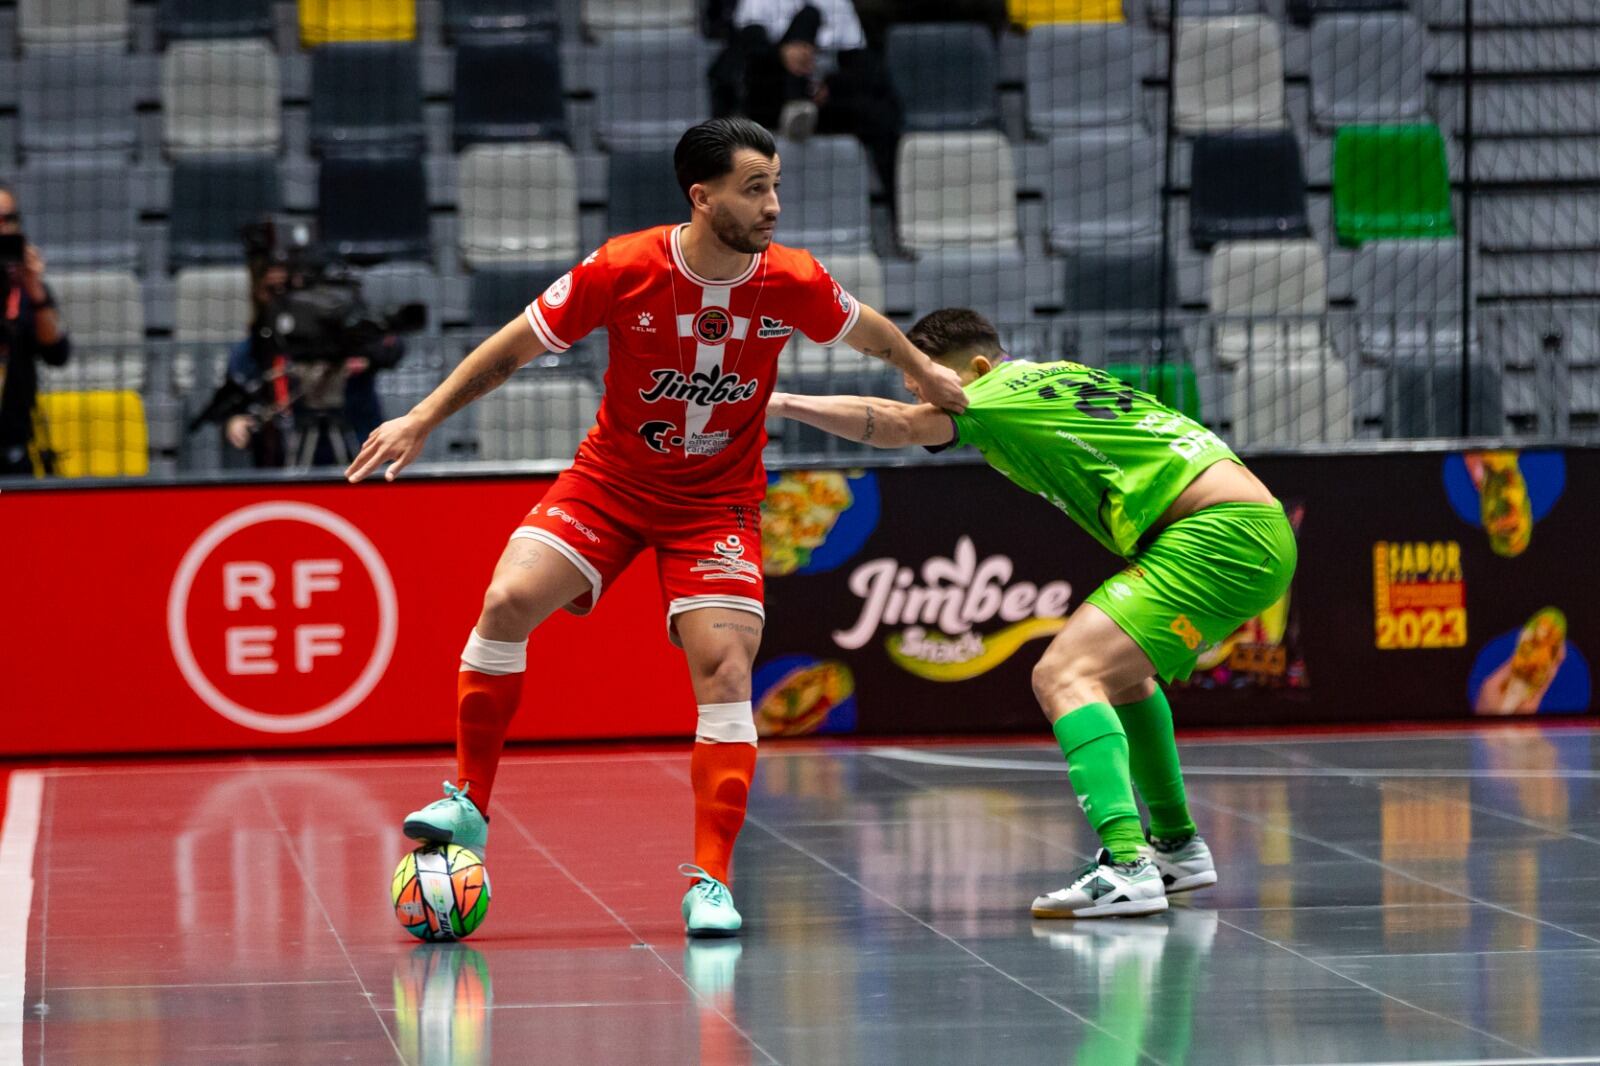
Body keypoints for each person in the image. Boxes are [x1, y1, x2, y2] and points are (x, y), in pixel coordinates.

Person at [344, 118, 967, 936]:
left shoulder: (793, 279)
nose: (774, 204)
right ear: (701, 197)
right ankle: (467, 803)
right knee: (505, 603)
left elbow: (869, 328)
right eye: (755, 189)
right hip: (611, 484)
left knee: (726, 667)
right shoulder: (624, 267)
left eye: (777, 185)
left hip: (717, 503)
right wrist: (422, 417)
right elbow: (514, 348)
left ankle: (710, 882)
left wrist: (923, 370)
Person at [767, 308, 1297, 918]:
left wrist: (779, 403)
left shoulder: (989, 393)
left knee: (1063, 675)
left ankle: (1127, 865)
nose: (925, 395)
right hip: (1252, 526)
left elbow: (890, 426)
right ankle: (1176, 846)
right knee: (1123, 678)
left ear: (979, 366)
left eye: (931, 380)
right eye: (916, 385)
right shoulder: (1061, 373)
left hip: (1214, 534)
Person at [711, 0, 903, 192]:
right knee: (808, 16)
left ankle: (897, 208)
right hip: (772, 95)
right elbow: (748, 45)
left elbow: (859, 61)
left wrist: (828, 87)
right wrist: (782, 54)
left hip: (823, 98)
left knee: (882, 114)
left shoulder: (838, 4)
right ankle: (797, 103)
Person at [223, 261, 395, 469]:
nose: (280, 298)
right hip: (289, 454)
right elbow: (235, 394)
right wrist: (236, 418)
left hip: (358, 449)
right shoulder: (257, 346)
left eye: (287, 289)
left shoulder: (347, 332)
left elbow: (392, 348)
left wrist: (366, 358)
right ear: (257, 292)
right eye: (271, 290)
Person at [0, 184, 70, 476]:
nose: (1, 228)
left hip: (13, 441)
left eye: (8, 218)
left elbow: (57, 352)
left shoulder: (28, 289)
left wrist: (35, 288)